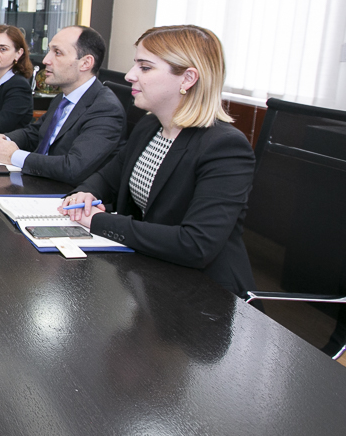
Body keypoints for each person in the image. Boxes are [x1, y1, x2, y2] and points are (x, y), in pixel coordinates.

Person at [60, 25, 256, 295]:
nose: (130, 75)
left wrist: (98, 221)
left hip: (206, 294)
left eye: (145, 67)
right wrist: (86, 192)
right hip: (150, 276)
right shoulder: (149, 126)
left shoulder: (225, 147)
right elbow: (108, 177)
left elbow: (195, 245)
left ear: (188, 78)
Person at [0, 25, 124, 184]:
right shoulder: (62, 98)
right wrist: (4, 139)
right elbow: (35, 133)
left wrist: (13, 156)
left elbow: (73, 168)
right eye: (49, 51)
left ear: (85, 63)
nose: (46, 60)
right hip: (38, 182)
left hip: (64, 193)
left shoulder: (105, 109)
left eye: (57, 53)